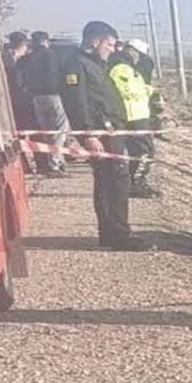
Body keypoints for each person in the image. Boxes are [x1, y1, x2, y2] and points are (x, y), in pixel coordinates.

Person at [61, 21, 150, 251]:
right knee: (113, 182)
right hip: (101, 133)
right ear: (95, 41)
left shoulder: (96, 64)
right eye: (109, 44)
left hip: (111, 130)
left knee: (115, 182)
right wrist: (89, 135)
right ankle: (119, 235)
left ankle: (112, 233)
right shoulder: (77, 65)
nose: (113, 49)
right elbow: (77, 103)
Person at [109, 39, 159, 197]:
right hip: (133, 116)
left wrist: (152, 92)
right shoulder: (120, 68)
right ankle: (135, 184)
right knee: (143, 152)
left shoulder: (128, 67)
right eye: (140, 55)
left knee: (143, 151)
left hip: (138, 115)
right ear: (133, 51)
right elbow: (126, 92)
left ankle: (137, 182)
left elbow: (137, 88)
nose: (140, 59)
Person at [17, 31, 70, 176]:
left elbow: (20, 79)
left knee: (46, 132)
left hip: (36, 98)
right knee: (60, 131)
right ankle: (55, 162)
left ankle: (55, 161)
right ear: (46, 41)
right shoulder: (56, 56)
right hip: (55, 96)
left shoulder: (26, 59)